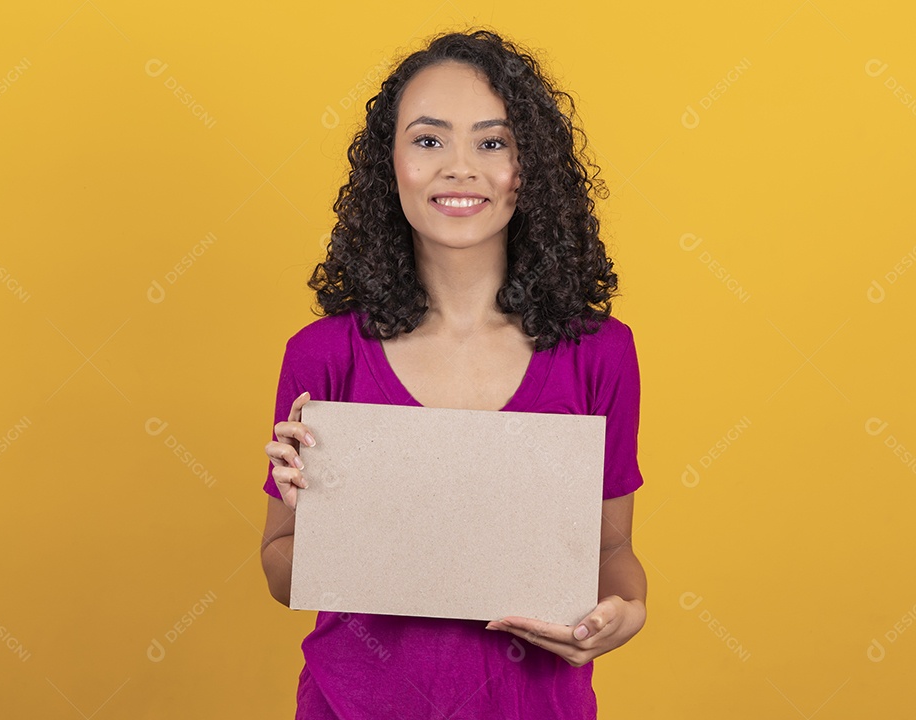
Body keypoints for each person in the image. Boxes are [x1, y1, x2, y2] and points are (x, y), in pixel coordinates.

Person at [260, 28, 647, 719]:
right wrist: (314, 525)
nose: (459, 167)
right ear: (392, 164)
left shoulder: (600, 353)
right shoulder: (323, 354)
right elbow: (282, 574)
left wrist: (624, 615)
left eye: (493, 143)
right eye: (429, 140)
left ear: (529, 169)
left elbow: (612, 548)